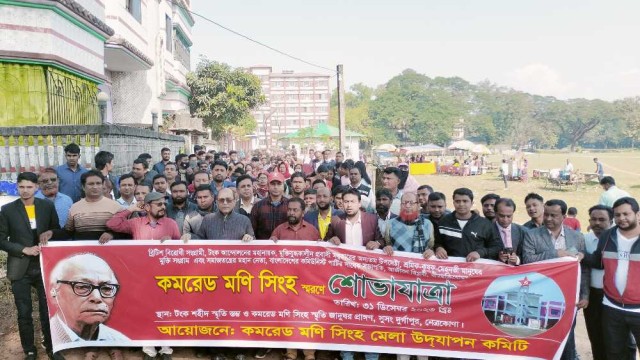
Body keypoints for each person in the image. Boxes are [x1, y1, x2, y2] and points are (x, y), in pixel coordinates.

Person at [0, 172, 61, 360]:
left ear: (36, 187)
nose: (25, 191)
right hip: (20, 266)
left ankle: (52, 348)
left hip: (44, 265)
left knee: (47, 310)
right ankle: (29, 350)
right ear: (17, 187)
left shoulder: (47, 206)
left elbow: (58, 230)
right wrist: (23, 249)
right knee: (24, 311)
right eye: (21, 187)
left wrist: (50, 232)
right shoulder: (8, 210)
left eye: (29, 187)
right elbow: (1, 240)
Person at [522, 199, 589, 360]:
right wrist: (556, 254)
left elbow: (583, 269)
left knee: (567, 338)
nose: (549, 219)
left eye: (554, 215)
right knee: (539, 336)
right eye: (547, 214)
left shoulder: (577, 237)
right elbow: (527, 261)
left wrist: (585, 294)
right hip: (540, 297)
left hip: (567, 297)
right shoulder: (532, 235)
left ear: (564, 216)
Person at [325, 188, 382, 360]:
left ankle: (371, 354)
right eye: (345, 201)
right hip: (346, 281)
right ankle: (347, 354)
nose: (348, 205)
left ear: (359, 203)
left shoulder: (372, 220)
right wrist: (331, 240)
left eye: (352, 202)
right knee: (346, 319)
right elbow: (325, 245)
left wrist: (377, 243)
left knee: (369, 318)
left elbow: (384, 241)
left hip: (368, 280)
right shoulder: (336, 221)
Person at [586, 197, 640, 359]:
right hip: (611, 307)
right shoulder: (607, 236)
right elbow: (598, 262)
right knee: (614, 352)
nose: (621, 218)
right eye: (617, 215)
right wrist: (579, 256)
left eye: (626, 214)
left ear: (637, 215)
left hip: (638, 308)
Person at [48, 254, 128, 345]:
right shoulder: (49, 337)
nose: (97, 297)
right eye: (82, 287)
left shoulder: (121, 342)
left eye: (107, 288)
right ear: (54, 293)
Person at [43, 170, 122, 242]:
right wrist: (52, 233)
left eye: (98, 183)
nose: (95, 187)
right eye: (91, 184)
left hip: (108, 254)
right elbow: (68, 232)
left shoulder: (115, 207)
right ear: (83, 187)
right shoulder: (75, 207)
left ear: (102, 185)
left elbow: (125, 231)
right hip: (83, 255)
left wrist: (112, 234)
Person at [434, 188, 502, 262]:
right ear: (453, 202)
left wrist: (480, 253)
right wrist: (438, 248)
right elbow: (437, 242)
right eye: (457, 201)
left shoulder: (485, 224)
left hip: (476, 268)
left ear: (472, 203)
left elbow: (496, 247)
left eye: (465, 201)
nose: (461, 204)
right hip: (450, 267)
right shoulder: (444, 221)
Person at [583, 205, 614, 360]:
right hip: (593, 297)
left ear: (611, 221)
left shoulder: (618, 239)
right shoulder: (584, 239)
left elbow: (601, 262)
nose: (597, 223)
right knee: (595, 337)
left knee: (616, 339)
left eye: (602, 219)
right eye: (594, 219)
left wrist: (582, 255)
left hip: (614, 298)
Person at [383, 192, 434, 260]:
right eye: (404, 203)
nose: (407, 206)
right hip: (397, 265)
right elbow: (388, 243)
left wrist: (431, 252)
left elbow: (431, 246)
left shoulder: (427, 224)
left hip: (420, 266)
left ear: (418, 205)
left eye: (411, 203)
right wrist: (387, 248)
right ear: (400, 205)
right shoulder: (391, 223)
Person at [251, 173, 289, 239]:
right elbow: (252, 230)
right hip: (263, 246)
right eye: (273, 184)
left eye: (279, 184)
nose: (276, 187)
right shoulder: (258, 206)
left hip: (284, 246)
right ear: (268, 186)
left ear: (283, 186)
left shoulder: (290, 205)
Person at [494, 198, 526, 265]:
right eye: (502, 216)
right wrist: (498, 260)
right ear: (495, 214)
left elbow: (527, 255)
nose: (505, 219)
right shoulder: (487, 230)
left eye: (509, 216)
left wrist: (517, 260)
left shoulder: (521, 231)